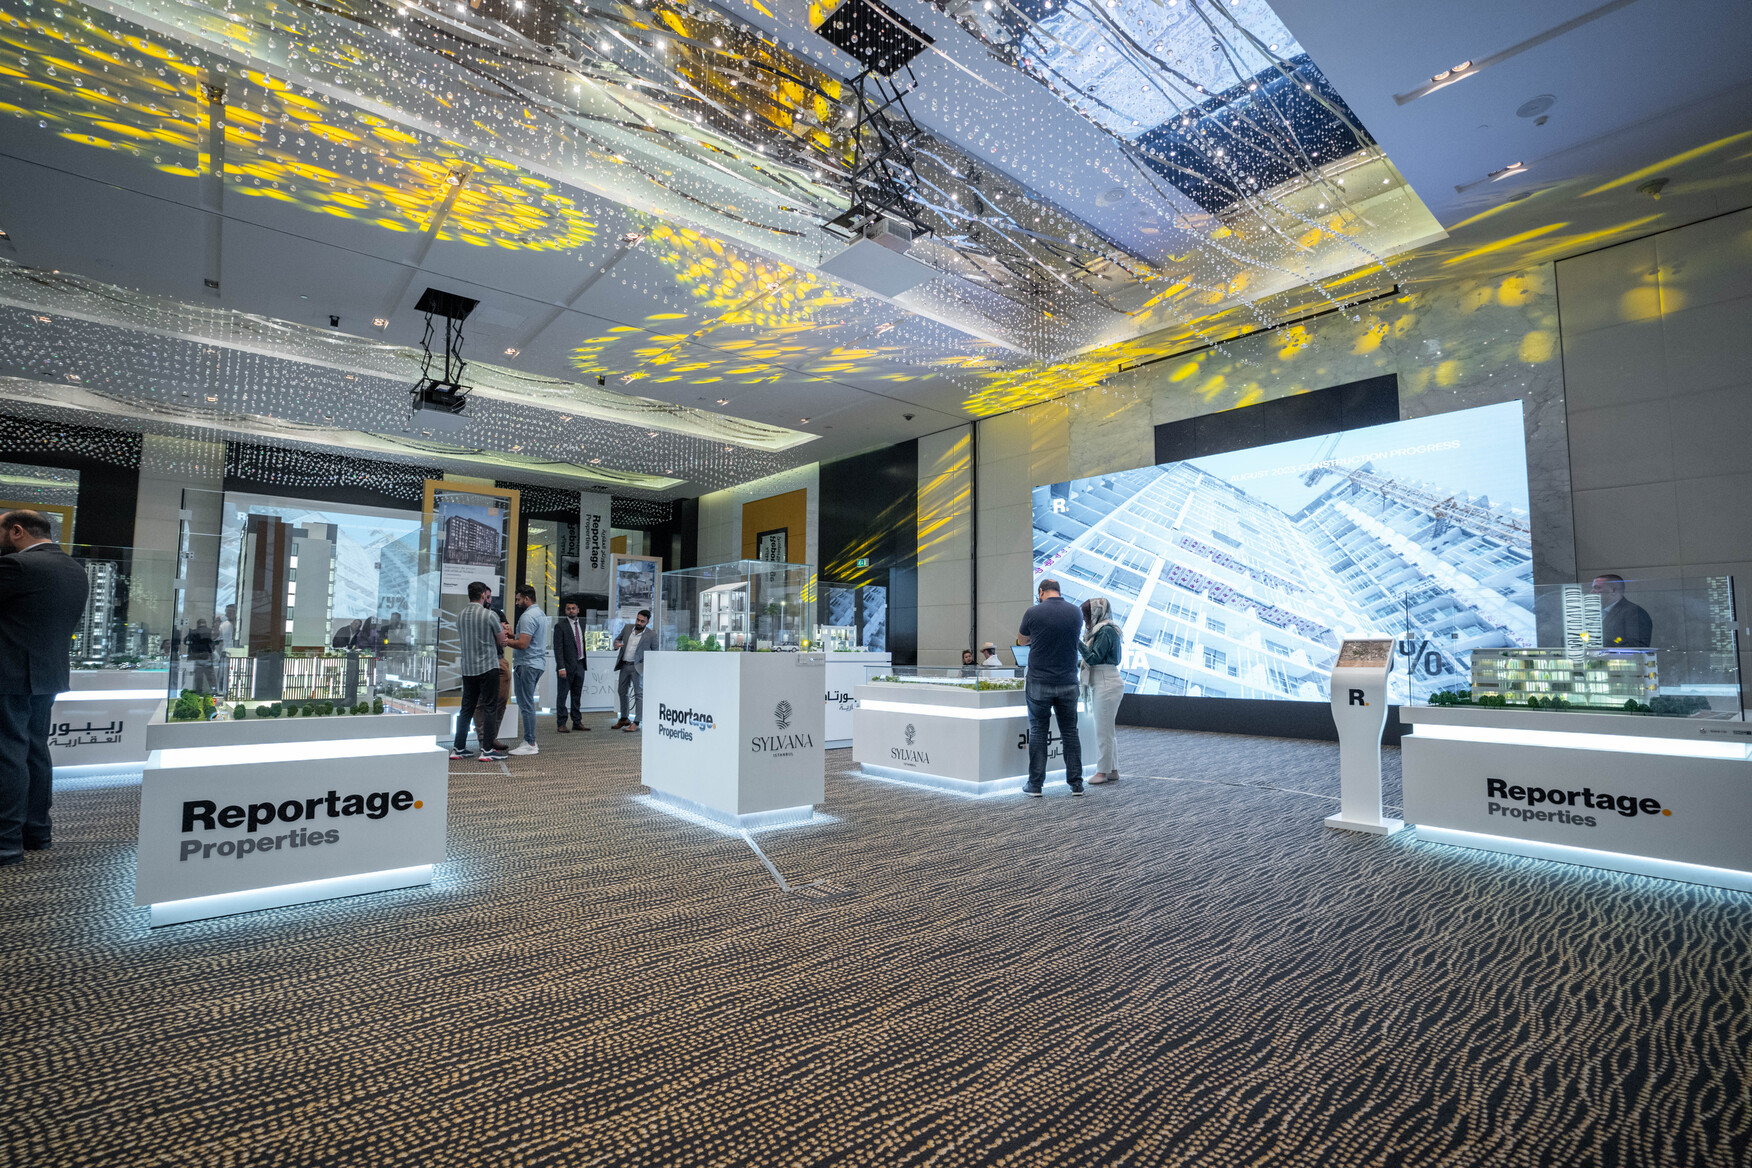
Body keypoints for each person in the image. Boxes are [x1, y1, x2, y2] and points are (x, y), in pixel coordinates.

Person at [0, 509, 88, 865]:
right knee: (34, 749)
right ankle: (36, 831)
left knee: (8, 753)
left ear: (16, 531)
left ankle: (5, 842)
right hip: (47, 675)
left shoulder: (17, 566)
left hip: (8, 673)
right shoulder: (75, 569)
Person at [1016, 577, 1084, 797]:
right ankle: (1076, 784)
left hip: (1039, 681)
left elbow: (1022, 641)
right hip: (1068, 681)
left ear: (1041, 591)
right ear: (1059, 591)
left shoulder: (1033, 612)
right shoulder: (1076, 612)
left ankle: (1035, 785)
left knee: (1038, 731)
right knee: (1070, 732)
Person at [450, 581, 508, 762]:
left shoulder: (460, 616)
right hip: (488, 667)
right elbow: (501, 640)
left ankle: (458, 748)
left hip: (468, 668)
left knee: (466, 708)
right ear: (483, 595)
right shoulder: (489, 615)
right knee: (490, 707)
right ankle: (487, 750)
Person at [1079, 597, 1123, 786]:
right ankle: (1112, 770)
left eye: (1086, 615)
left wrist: (1076, 643)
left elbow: (1094, 658)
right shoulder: (1106, 629)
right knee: (1107, 730)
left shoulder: (1105, 630)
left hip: (1105, 680)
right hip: (1105, 679)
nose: (1085, 619)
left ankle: (1102, 772)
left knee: (1103, 731)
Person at [504, 585, 549, 756]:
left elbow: (523, 644)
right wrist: (513, 636)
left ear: (527, 598)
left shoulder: (527, 616)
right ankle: (529, 741)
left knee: (526, 704)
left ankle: (530, 742)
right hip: (534, 663)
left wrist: (505, 641)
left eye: (518, 599)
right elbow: (527, 639)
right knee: (527, 703)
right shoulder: (540, 614)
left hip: (527, 664)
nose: (516, 603)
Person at [552, 599, 591, 733]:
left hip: (580, 664)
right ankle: (561, 723)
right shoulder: (560, 626)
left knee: (576, 695)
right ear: (565, 611)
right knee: (562, 695)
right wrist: (561, 667)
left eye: (573, 608)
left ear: (578, 610)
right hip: (566, 666)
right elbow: (558, 648)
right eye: (568, 609)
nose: (571, 611)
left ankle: (577, 722)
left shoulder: (582, 624)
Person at [611, 609, 651, 732]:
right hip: (624, 665)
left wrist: (647, 667)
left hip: (637, 668)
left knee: (638, 694)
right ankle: (624, 718)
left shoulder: (651, 635)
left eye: (642, 621)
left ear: (647, 622)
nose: (639, 622)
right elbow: (617, 640)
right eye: (638, 620)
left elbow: (654, 653)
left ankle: (637, 722)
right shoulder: (627, 628)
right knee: (622, 691)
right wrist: (616, 644)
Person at [1592, 574, 1653, 649]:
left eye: (1597, 588)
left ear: (1613, 590)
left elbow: (1637, 646)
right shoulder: (1596, 612)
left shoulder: (1633, 612)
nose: (1592, 592)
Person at [186, 619, 216, 695]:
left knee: (198, 678)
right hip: (206, 656)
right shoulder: (209, 631)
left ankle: (198, 692)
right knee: (210, 677)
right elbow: (213, 644)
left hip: (197, 657)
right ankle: (214, 691)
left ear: (197, 624)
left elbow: (185, 641)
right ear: (205, 623)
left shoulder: (193, 632)